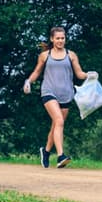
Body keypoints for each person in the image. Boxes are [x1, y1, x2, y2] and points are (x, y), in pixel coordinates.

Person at [23, 26, 97, 168]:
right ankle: (60, 156)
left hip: (66, 94)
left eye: (62, 38)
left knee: (56, 125)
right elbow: (36, 72)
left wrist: (90, 75)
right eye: (57, 38)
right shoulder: (45, 55)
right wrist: (28, 81)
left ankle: (45, 151)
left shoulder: (71, 55)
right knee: (59, 121)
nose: (60, 40)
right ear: (52, 39)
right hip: (49, 92)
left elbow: (79, 74)